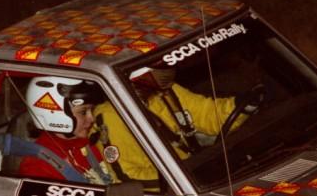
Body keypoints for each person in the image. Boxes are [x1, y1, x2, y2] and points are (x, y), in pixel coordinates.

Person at [92, 65, 261, 186]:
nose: (168, 67)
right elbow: (128, 176)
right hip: (169, 194)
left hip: (197, 176)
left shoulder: (166, 92)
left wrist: (241, 105)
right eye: (160, 64)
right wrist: (184, 177)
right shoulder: (112, 116)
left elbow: (206, 113)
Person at [14, 76, 116, 185]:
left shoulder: (94, 139)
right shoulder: (37, 166)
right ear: (55, 113)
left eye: (92, 110)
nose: (92, 118)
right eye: (83, 112)